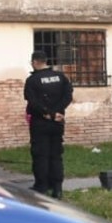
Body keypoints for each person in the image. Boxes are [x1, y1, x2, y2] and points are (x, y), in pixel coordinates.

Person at [24, 51, 73, 197]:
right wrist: (57, 112)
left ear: (34, 62)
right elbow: (68, 96)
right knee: (56, 155)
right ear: (46, 61)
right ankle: (57, 188)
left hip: (40, 122)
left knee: (41, 155)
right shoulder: (61, 77)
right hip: (58, 122)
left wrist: (48, 113)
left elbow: (32, 102)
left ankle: (41, 186)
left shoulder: (32, 80)